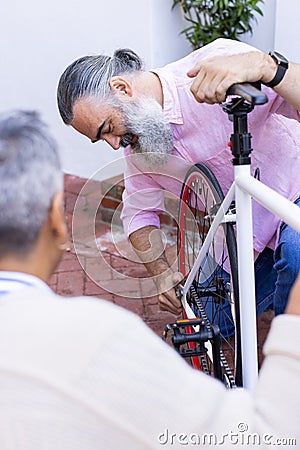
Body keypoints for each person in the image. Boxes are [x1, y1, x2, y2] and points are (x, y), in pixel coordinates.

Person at [0, 109, 300, 448]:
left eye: (108, 130)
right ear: (57, 217)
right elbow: (259, 438)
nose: (114, 146)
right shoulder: (96, 335)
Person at [57, 39, 300, 317]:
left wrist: (270, 68)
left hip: (294, 194)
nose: (114, 144)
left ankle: (286, 348)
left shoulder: (217, 64)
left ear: (122, 89)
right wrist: (160, 274)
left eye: (108, 128)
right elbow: (138, 214)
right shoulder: (141, 148)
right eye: (101, 139)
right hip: (240, 239)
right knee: (203, 322)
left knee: (295, 256)